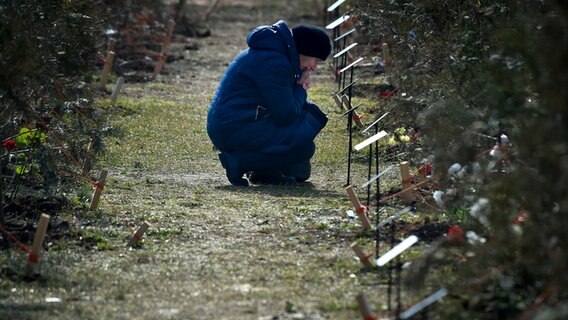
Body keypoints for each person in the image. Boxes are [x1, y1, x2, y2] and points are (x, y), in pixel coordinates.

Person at [207, 20, 331, 186]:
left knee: (300, 169)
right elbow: (286, 115)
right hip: (235, 127)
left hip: (235, 122)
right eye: (315, 60)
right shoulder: (275, 63)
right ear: (303, 51)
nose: (314, 67)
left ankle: (262, 171)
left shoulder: (273, 54)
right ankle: (238, 162)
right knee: (304, 145)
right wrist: (301, 87)